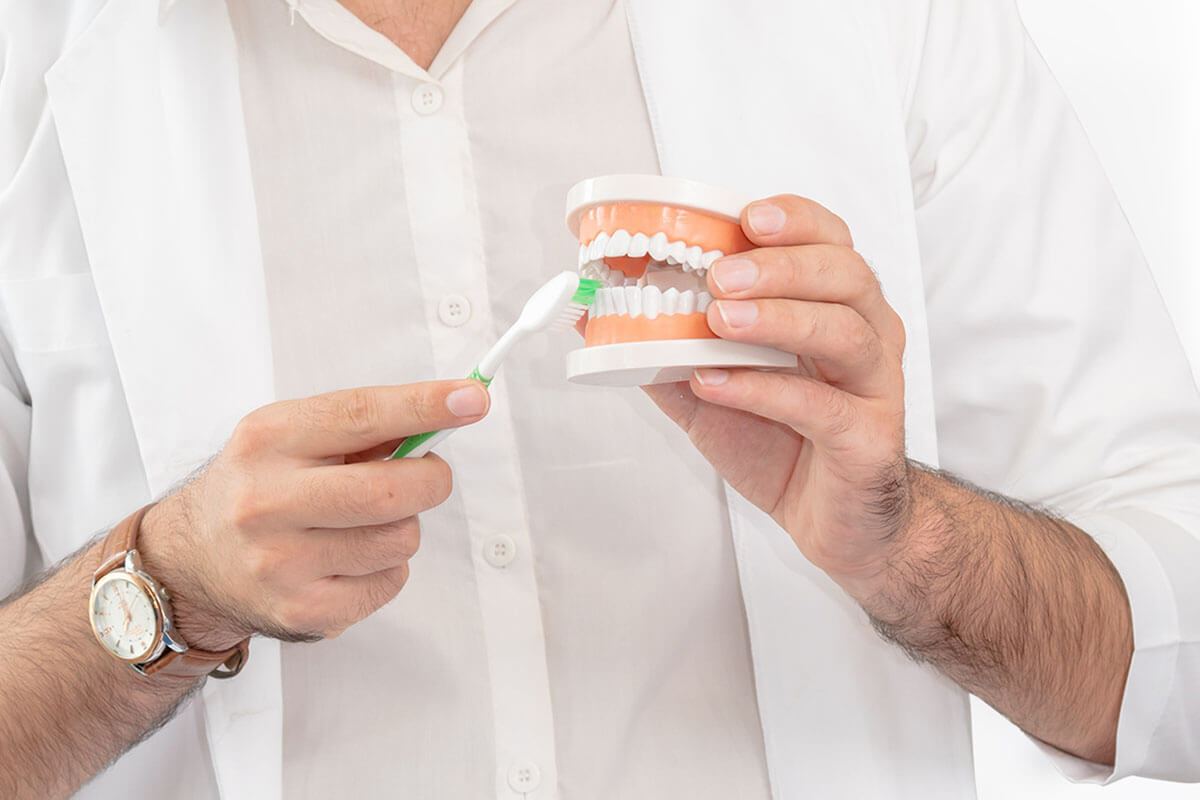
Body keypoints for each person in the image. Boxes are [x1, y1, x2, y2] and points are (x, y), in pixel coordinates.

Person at [0, 0, 1197, 797]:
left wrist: (907, 542)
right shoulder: (36, 63)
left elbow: (1170, 673)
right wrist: (165, 588)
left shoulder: (886, 27)